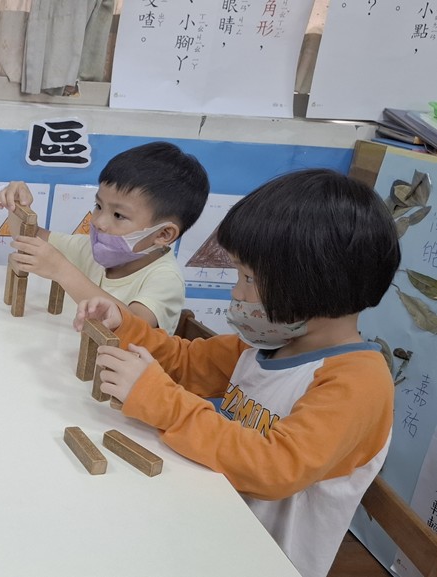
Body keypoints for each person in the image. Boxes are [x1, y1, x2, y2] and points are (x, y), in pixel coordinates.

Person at [73, 169, 400, 577]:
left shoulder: (358, 382)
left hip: (260, 559)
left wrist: (166, 405)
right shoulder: (265, 345)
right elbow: (184, 362)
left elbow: (275, 468)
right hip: (207, 526)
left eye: (249, 278)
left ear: (317, 284)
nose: (237, 292)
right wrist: (124, 325)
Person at [0, 141, 209, 333]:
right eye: (98, 205)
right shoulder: (92, 248)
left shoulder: (165, 279)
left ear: (163, 234)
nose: (98, 222)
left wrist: (61, 271)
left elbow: (135, 328)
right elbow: (28, 238)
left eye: (118, 215)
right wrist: (16, 204)